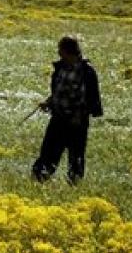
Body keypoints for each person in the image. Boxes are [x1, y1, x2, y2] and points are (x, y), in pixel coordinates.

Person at [31, 36, 103, 184]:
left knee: (76, 155)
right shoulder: (62, 68)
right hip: (59, 117)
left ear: (67, 51)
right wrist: (49, 102)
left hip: (77, 121)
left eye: (60, 49)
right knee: (49, 151)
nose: (58, 52)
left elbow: (89, 97)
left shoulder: (86, 71)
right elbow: (61, 91)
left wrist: (79, 116)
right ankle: (40, 178)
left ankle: (74, 182)